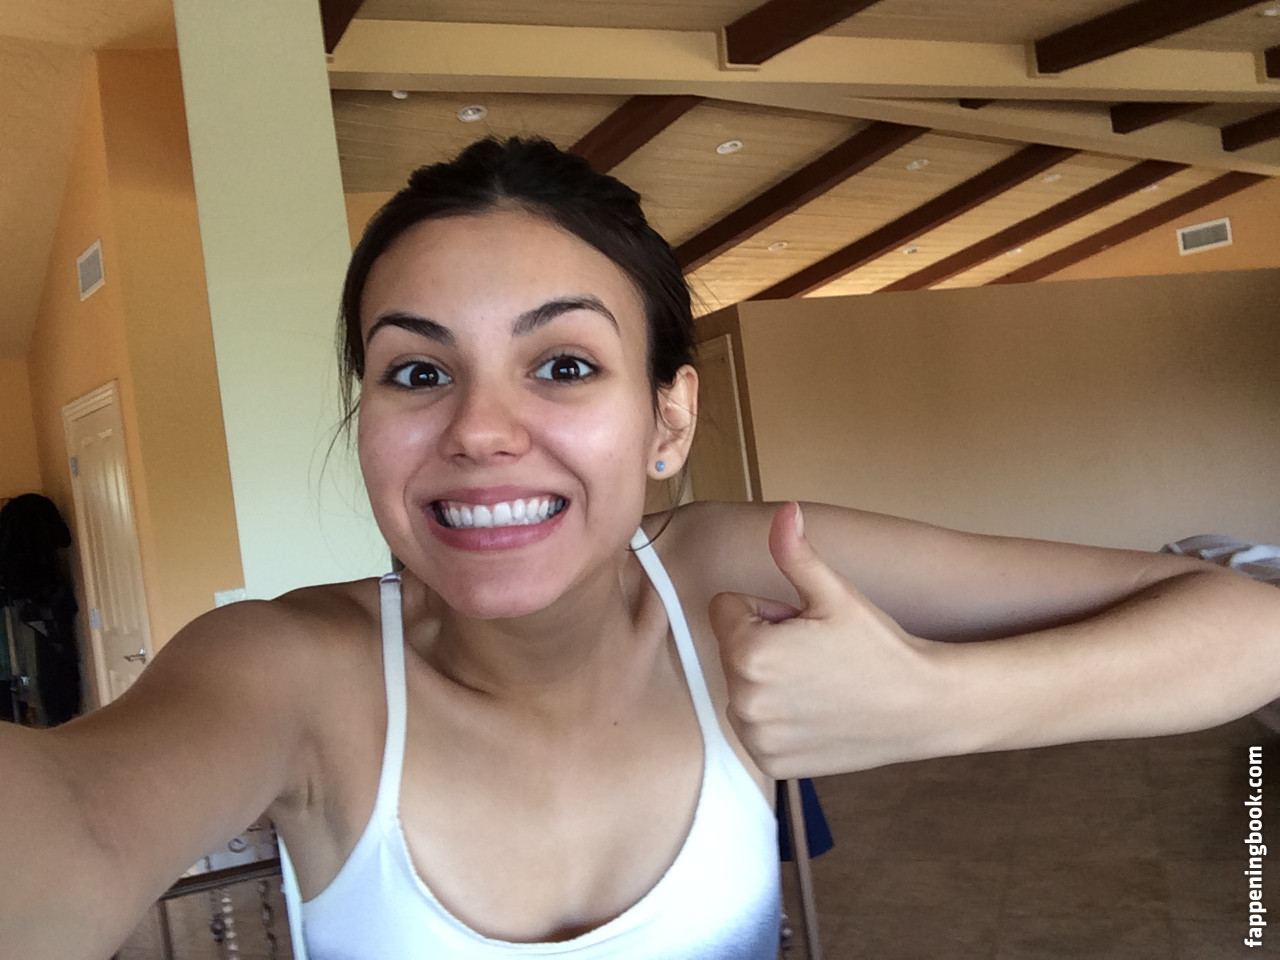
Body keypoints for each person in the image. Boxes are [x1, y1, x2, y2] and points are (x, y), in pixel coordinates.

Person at [5, 136, 1279, 960]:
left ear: (668, 419)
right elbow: (70, 831)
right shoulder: (289, 672)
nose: (479, 431)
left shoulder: (731, 573)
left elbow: (1246, 625)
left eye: (562, 364)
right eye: (417, 372)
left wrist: (941, 703)